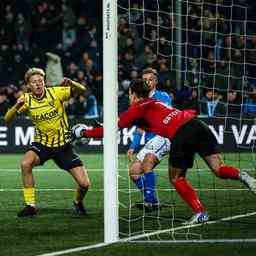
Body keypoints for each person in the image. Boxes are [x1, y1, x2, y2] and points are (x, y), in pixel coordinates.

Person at [72, 79, 256, 224]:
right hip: (197, 125)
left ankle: (200, 212)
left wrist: (83, 132)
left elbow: (112, 129)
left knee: (177, 178)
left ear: (134, 94)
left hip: (181, 134)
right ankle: (245, 177)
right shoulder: (155, 101)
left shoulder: (136, 108)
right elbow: (139, 122)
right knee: (218, 168)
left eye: (129, 94)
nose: (129, 98)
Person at [4, 68, 90, 217]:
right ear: (29, 86)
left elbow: (83, 91)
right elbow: (7, 119)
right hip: (42, 144)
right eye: (34, 82)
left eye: (40, 81)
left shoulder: (56, 92)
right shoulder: (27, 100)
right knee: (25, 163)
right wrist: (17, 106)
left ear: (44, 82)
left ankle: (77, 202)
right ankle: (30, 206)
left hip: (63, 145)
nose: (38, 84)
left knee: (84, 184)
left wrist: (72, 83)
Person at [127, 68, 172, 211]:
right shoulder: (141, 101)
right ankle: (153, 201)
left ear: (156, 81)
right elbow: (140, 128)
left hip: (162, 137)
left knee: (147, 164)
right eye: (144, 80)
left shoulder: (162, 96)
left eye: (150, 79)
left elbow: (165, 116)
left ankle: (148, 201)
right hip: (150, 141)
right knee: (134, 172)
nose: (147, 82)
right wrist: (133, 147)